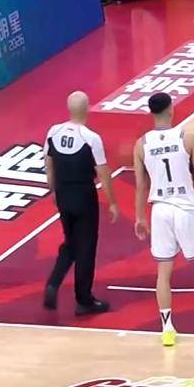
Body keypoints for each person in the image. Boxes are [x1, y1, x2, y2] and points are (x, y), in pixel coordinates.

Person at [133, 93, 194, 347]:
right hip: (187, 207)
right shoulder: (187, 138)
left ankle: (167, 328)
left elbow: (141, 186)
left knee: (163, 273)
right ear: (171, 109)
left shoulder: (141, 144)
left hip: (160, 210)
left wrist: (140, 216)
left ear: (151, 112)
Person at [43, 91, 117, 314]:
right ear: (87, 108)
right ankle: (84, 300)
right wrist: (112, 202)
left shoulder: (53, 132)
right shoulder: (91, 138)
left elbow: (49, 165)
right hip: (84, 195)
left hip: (63, 194)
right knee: (86, 246)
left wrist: (53, 191)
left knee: (71, 242)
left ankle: (53, 282)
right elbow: (103, 173)